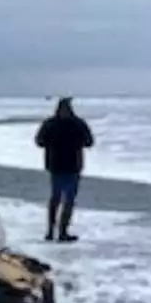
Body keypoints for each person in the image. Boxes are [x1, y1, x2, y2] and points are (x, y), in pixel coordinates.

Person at [33, 96, 94, 242]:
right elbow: (89, 142)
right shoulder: (78, 124)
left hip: (56, 165)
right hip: (71, 166)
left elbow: (39, 141)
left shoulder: (50, 124)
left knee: (56, 198)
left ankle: (51, 232)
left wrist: (52, 144)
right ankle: (61, 232)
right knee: (68, 200)